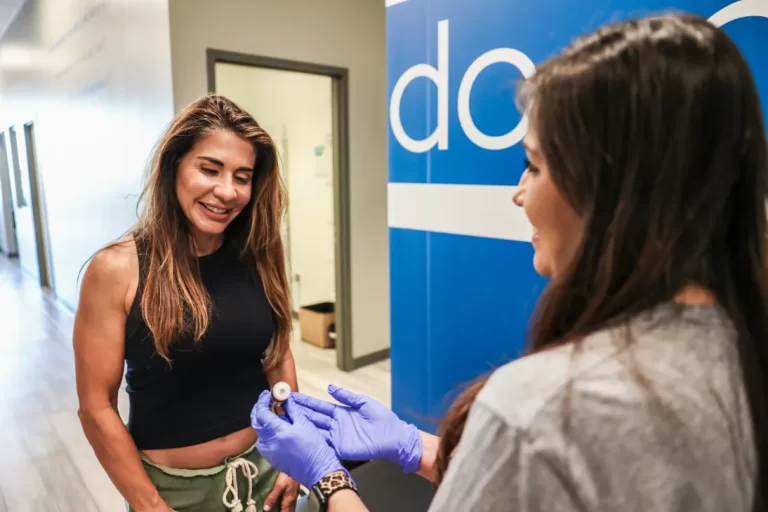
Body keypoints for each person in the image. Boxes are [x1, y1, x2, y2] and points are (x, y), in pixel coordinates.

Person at [249, 13, 767, 512]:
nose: (520, 194)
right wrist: (415, 446)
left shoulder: (548, 408)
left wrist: (329, 476)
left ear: (615, 191)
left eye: (534, 165)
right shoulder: (736, 350)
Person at [74, 94, 307, 512]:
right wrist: (151, 506)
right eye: (209, 169)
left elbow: (277, 355)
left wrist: (295, 448)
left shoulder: (257, 253)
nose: (227, 191)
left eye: (242, 176)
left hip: (267, 472)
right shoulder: (116, 270)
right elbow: (95, 408)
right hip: (174, 494)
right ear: (174, 166)